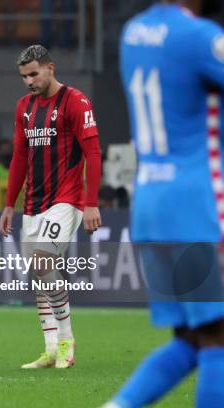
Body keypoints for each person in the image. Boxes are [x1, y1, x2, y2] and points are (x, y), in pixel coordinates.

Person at [104, 1, 224, 406]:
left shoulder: (132, 34)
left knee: (193, 339)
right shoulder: (200, 37)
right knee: (217, 339)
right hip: (198, 204)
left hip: (151, 203)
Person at [0, 45, 102, 369]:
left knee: (43, 263)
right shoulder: (24, 107)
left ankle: (67, 340)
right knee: (38, 275)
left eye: (33, 74)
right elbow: (18, 157)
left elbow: (93, 153)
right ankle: (50, 348)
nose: (29, 81)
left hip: (66, 199)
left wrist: (91, 203)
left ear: (50, 68)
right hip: (33, 202)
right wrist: (8, 205)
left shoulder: (75, 101)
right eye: (24, 76)